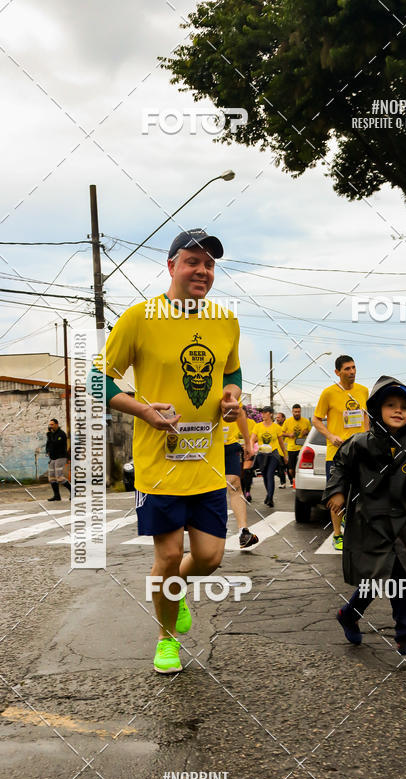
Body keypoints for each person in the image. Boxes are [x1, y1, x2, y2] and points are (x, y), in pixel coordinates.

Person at [91, 228, 242, 674]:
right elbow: (99, 380)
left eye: (209, 264)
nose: (203, 270)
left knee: (211, 558)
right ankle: (166, 637)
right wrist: (142, 411)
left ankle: (170, 596)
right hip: (160, 465)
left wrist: (231, 399)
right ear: (172, 266)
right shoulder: (139, 318)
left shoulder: (225, 320)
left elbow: (233, 371)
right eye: (193, 261)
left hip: (208, 464)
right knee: (168, 556)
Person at [322, 376, 406, 654]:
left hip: (398, 519)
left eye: (404, 407)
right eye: (390, 405)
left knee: (391, 575)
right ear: (377, 409)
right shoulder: (360, 443)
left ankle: (355, 616)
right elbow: (339, 465)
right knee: (386, 575)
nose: (398, 411)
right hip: (367, 518)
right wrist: (336, 491)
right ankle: (402, 635)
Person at [312, 356, 369, 550]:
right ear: (337, 372)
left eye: (353, 368)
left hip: (359, 452)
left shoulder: (363, 391)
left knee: (360, 493)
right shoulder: (328, 393)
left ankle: (349, 521)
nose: (352, 372)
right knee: (337, 494)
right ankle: (337, 535)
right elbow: (316, 420)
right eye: (347, 369)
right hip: (336, 453)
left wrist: (368, 437)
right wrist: (330, 435)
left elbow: (365, 416)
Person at [222, 403, 259, 548]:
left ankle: (243, 532)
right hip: (205, 444)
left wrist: (248, 444)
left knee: (235, 485)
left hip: (229, 445)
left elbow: (240, 413)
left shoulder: (230, 391)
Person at [253, 406, 287, 507]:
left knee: (270, 474)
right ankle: (269, 494)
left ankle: (270, 498)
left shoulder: (276, 427)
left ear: (271, 414)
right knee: (265, 476)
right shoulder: (257, 426)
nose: (262, 414)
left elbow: (281, 443)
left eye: (265, 412)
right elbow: (252, 439)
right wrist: (250, 447)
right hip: (261, 454)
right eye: (262, 413)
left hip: (273, 454)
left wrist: (285, 455)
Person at [282, 404, 310, 485]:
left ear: (300, 411)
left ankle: (299, 482)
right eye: (295, 412)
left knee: (303, 468)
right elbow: (281, 433)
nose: (297, 413)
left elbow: (310, 432)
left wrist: (307, 432)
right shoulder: (287, 421)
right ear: (292, 412)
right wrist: (289, 435)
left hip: (302, 448)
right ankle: (294, 479)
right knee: (291, 469)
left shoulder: (306, 421)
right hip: (292, 448)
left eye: (298, 412)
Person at [45, 418, 71, 501]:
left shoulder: (61, 434)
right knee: (51, 478)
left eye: (52, 424)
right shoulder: (51, 434)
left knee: (59, 477)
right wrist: (48, 451)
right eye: (50, 424)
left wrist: (50, 435)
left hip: (60, 457)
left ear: (57, 424)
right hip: (52, 458)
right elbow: (48, 444)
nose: (50, 426)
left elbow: (56, 443)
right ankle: (57, 496)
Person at [274, 412, 287, 488]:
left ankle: (292, 481)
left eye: (278, 417)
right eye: (276, 417)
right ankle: (283, 482)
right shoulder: (274, 426)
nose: (277, 419)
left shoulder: (287, 425)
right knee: (280, 467)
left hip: (288, 449)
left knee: (289, 468)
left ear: (283, 418)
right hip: (278, 450)